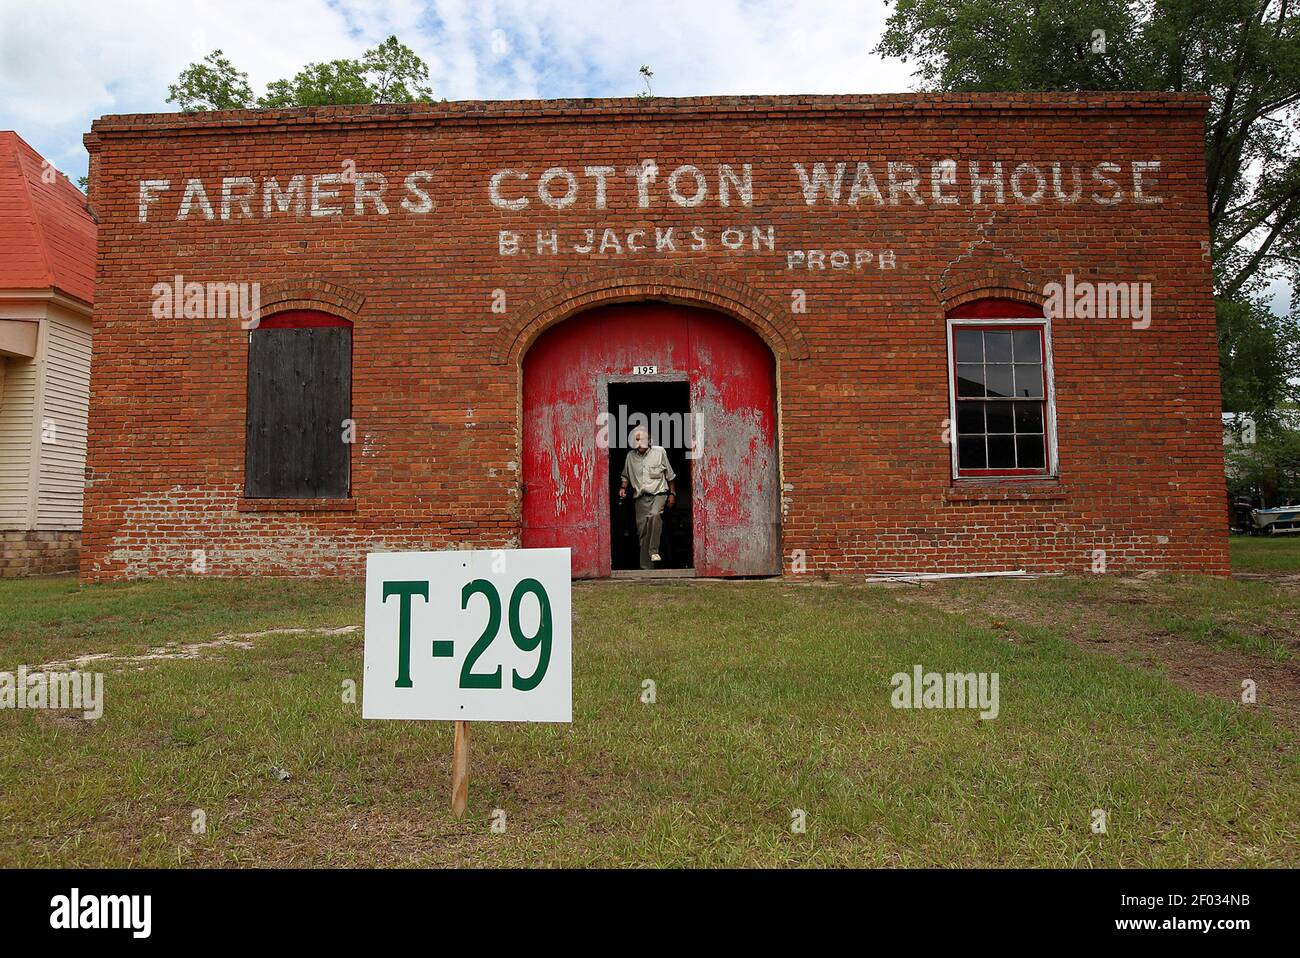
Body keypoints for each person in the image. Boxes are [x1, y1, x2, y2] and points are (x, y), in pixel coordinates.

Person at [618, 426, 676, 569]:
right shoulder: (630, 457)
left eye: (642, 439)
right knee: (642, 532)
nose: (640, 443)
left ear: (649, 440)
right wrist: (623, 488)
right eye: (637, 440)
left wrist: (672, 494)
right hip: (641, 498)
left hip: (659, 494)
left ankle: (654, 550)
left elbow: (670, 476)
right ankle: (646, 569)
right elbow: (625, 476)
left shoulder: (660, 452)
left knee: (655, 515)